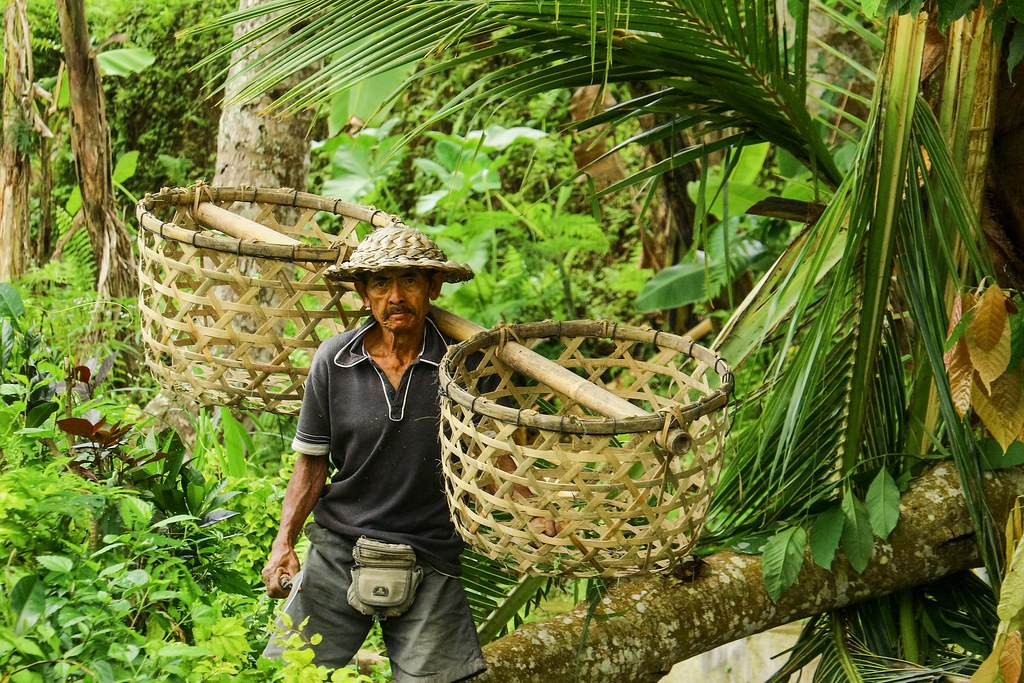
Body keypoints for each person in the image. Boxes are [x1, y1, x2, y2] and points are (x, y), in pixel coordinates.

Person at [260, 224, 485, 682]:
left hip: (431, 548)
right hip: (342, 545)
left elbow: (495, 456)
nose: (395, 296)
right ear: (363, 293)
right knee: (289, 675)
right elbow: (312, 462)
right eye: (381, 282)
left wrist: (536, 515)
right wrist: (284, 541)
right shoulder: (334, 360)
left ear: (433, 287)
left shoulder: (465, 364)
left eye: (409, 280)